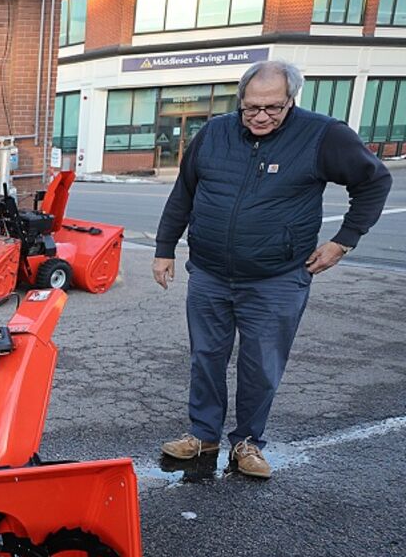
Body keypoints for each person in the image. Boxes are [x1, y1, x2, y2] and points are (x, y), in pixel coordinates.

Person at [154, 60, 391, 478]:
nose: (261, 116)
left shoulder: (322, 135)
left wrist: (344, 241)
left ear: (291, 100)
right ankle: (204, 433)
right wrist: (164, 247)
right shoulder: (214, 133)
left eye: (274, 108)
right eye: (252, 108)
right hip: (209, 273)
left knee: (261, 364)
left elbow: (374, 181)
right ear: (240, 101)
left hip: (276, 278)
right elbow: (184, 193)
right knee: (205, 358)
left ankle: (247, 442)